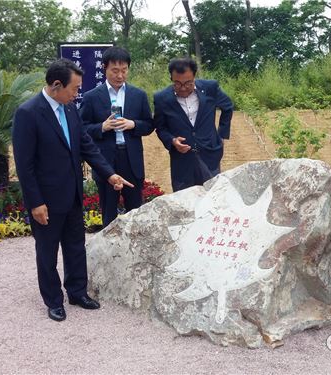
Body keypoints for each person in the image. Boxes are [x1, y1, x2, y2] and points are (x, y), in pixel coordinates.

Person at [12, 59, 133, 322]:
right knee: (47, 251)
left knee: (75, 246)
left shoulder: (69, 110)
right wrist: (35, 203)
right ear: (57, 85)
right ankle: (54, 300)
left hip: (73, 194)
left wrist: (110, 174)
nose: (77, 94)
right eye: (74, 88)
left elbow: (87, 146)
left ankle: (77, 291)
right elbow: (25, 165)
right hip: (46, 200)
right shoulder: (28, 113)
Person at [80, 46, 154, 227]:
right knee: (108, 212)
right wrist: (102, 127)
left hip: (131, 159)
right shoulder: (92, 97)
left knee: (135, 211)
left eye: (124, 70)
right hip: (105, 161)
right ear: (104, 68)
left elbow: (150, 124)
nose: (120, 75)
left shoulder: (138, 95)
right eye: (115, 70)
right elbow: (81, 128)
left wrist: (133, 124)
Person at [154, 57, 233, 192]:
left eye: (188, 83)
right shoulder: (162, 98)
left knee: (213, 197)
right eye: (177, 84)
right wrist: (172, 141)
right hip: (182, 161)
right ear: (171, 78)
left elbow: (228, 107)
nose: (183, 88)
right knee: (184, 202)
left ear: (194, 77)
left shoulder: (210, 88)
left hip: (209, 153)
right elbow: (160, 128)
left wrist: (220, 136)